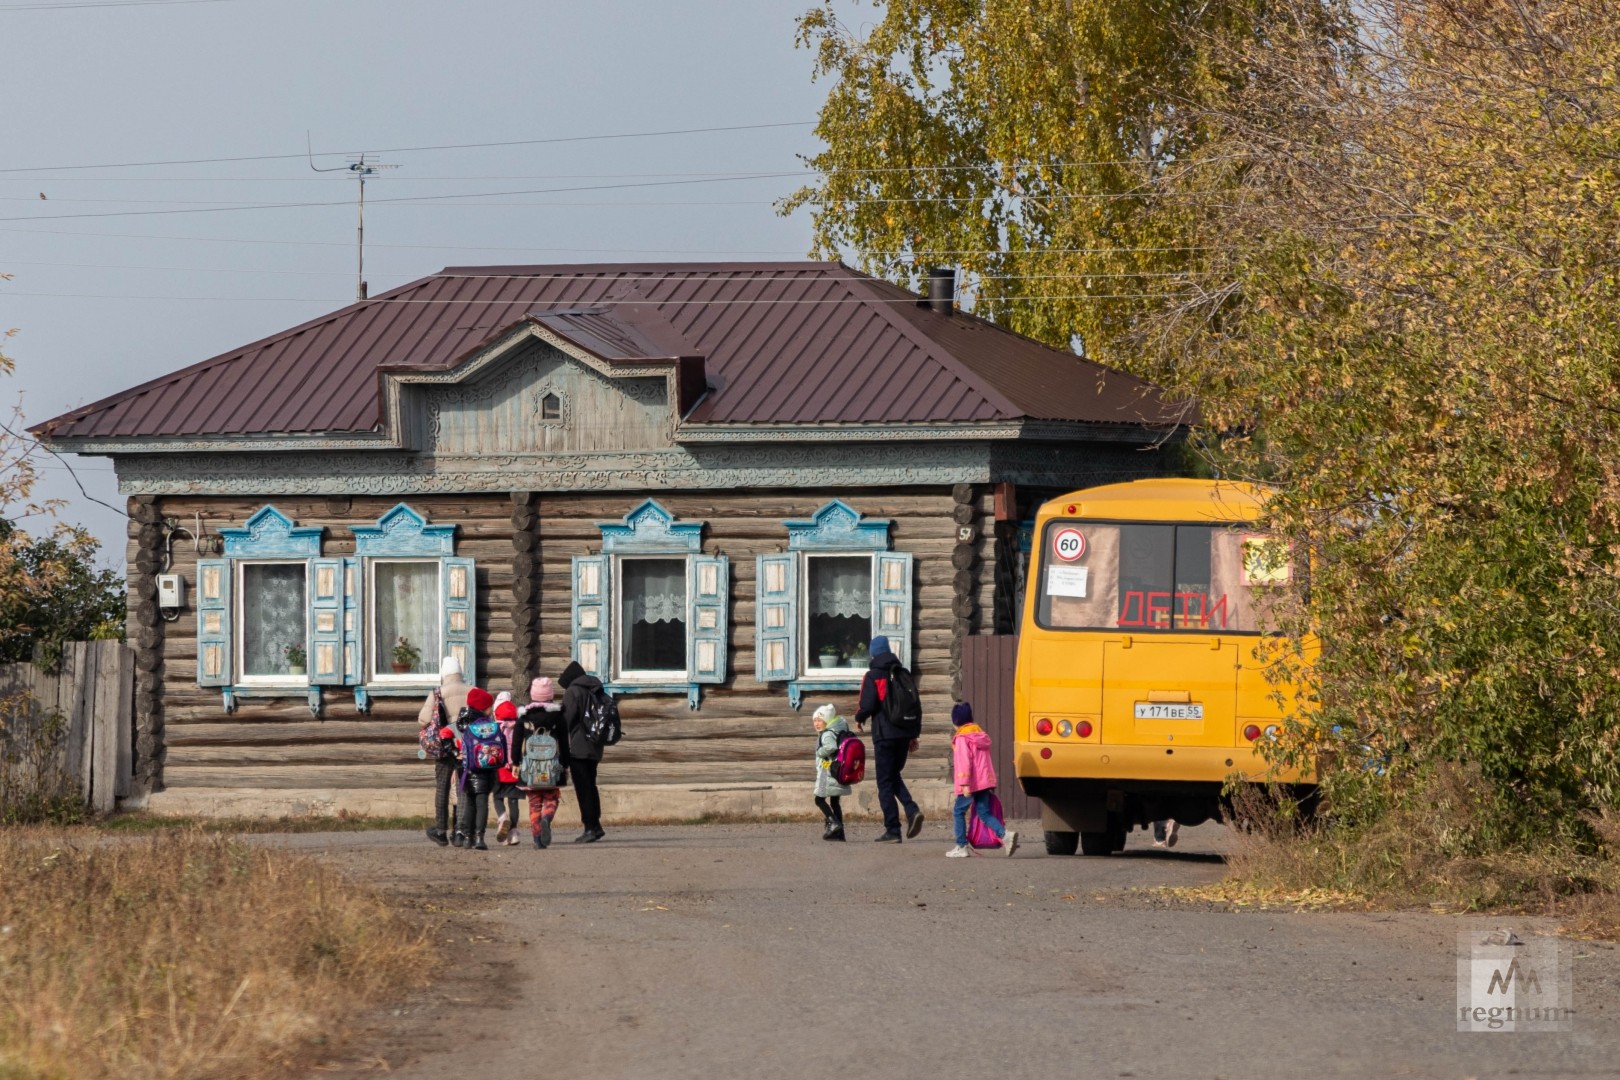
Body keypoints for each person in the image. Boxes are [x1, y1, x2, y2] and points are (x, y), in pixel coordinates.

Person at [853, 635, 924, 842]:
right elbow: (916, 706)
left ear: (873, 653)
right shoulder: (903, 674)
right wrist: (913, 734)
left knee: (885, 782)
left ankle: (893, 829)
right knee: (893, 775)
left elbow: (868, 704)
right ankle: (911, 811)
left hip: (885, 735)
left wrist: (859, 718)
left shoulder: (874, 675)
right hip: (904, 734)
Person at [945, 702, 1017, 858]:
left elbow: (965, 761)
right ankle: (1006, 835)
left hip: (970, 784)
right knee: (984, 814)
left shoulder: (963, 738)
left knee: (958, 812)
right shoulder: (980, 735)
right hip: (984, 782)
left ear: (956, 721)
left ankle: (961, 846)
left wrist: (964, 783)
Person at [417, 655, 471, 847]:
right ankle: (460, 832)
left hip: (444, 746)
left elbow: (423, 720)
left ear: (444, 674)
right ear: (460, 673)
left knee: (443, 787)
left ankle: (441, 830)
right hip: (467, 747)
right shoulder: (472, 691)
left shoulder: (437, 693)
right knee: (463, 787)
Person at [558, 660, 607, 843]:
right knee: (591, 786)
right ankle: (596, 824)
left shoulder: (573, 691)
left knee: (583, 788)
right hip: (595, 745)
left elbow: (566, 720)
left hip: (578, 747)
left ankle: (590, 827)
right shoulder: (595, 688)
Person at [518, 676, 568, 849]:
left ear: (533, 695)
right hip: (552, 768)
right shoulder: (558, 717)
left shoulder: (524, 716)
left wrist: (515, 763)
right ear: (550, 695)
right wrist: (565, 764)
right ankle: (547, 817)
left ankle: (537, 840)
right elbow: (564, 743)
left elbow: (517, 742)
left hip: (529, 769)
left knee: (534, 804)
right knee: (551, 799)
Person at [454, 686, 498, 850]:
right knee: (482, 804)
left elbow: (448, 736)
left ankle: (467, 838)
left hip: (465, 769)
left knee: (469, 803)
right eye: (489, 707)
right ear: (483, 707)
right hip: (484, 769)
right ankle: (479, 838)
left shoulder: (461, 722)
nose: (491, 710)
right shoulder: (487, 725)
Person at [811, 703, 851, 842]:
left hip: (826, 771)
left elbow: (831, 747)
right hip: (836, 770)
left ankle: (833, 823)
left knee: (819, 799)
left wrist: (819, 752)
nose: (816, 723)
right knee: (835, 802)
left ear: (827, 721)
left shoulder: (827, 734)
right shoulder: (837, 730)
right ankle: (840, 834)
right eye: (814, 720)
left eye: (819, 720)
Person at [492, 699, 525, 846]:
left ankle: (502, 816)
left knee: (497, 797)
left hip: (499, 769)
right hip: (515, 769)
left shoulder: (495, 728)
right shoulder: (519, 726)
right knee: (513, 800)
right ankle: (513, 833)